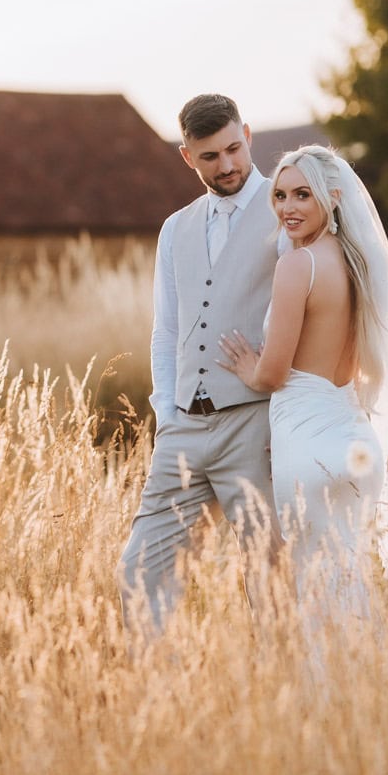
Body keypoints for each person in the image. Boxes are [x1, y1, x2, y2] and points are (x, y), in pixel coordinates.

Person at [217, 145, 388, 601]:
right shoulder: (360, 265)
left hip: (309, 450)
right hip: (356, 446)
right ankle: (366, 672)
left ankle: (332, 674)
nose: (288, 208)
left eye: (302, 195)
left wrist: (249, 367)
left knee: (318, 596)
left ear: (331, 198)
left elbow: (273, 374)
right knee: (350, 586)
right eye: (281, 195)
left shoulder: (297, 265)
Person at [115, 93, 283, 632]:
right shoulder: (175, 229)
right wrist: (166, 415)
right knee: (140, 571)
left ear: (248, 135)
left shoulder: (287, 209)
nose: (228, 165)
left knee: (271, 581)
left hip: (254, 426)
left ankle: (282, 705)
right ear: (187, 156)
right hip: (183, 429)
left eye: (234, 148)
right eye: (210, 156)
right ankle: (163, 704)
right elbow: (165, 332)